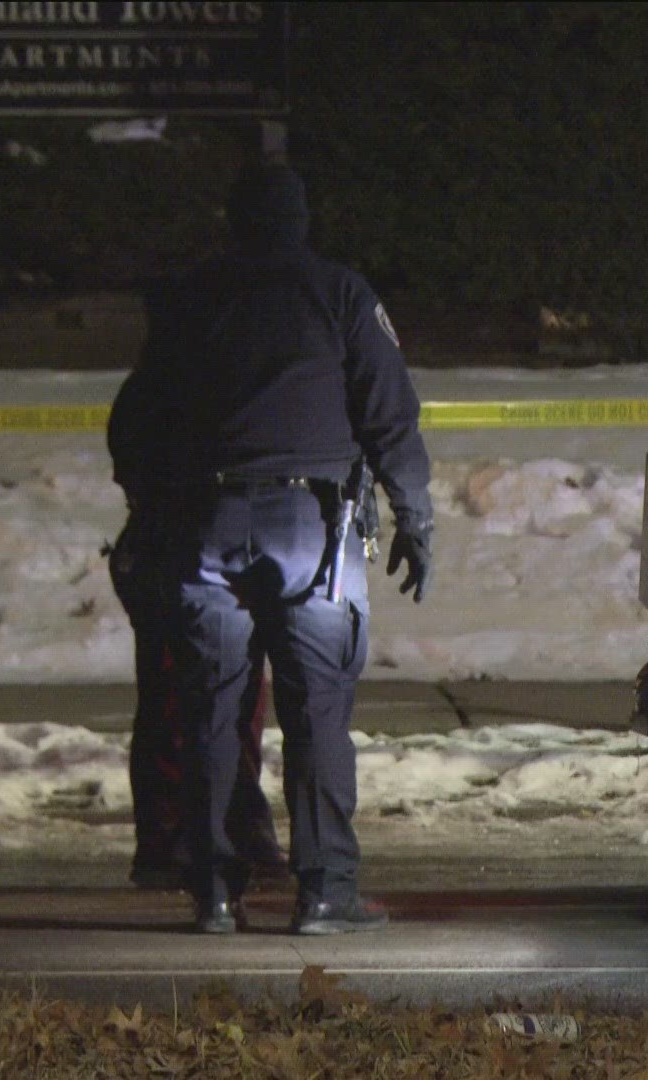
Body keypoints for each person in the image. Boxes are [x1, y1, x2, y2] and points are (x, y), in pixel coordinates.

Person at [108, 161, 433, 935]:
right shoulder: (343, 295)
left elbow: (134, 423)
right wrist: (415, 517)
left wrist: (156, 507)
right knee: (318, 714)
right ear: (301, 220)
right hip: (312, 535)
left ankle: (215, 891)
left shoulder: (190, 300)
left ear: (232, 221)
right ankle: (325, 891)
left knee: (212, 715)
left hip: (205, 529)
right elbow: (391, 418)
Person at [104, 483, 286, 890]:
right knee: (180, 696)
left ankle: (225, 825)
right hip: (178, 539)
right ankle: (179, 836)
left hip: (206, 534)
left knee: (231, 694)